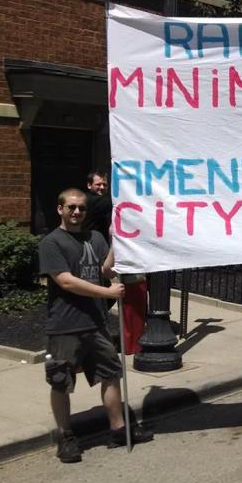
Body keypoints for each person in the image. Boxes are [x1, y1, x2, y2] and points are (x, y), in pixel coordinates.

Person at [38, 188, 153, 463]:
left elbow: (106, 270)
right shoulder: (52, 242)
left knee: (110, 374)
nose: (77, 212)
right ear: (60, 209)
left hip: (96, 323)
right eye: (71, 207)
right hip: (65, 325)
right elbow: (65, 281)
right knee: (61, 381)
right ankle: (65, 437)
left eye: (81, 208)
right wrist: (107, 294)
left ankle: (117, 430)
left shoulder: (95, 237)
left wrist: (118, 240)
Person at [82, 170, 113, 244]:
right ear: (89, 185)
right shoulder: (101, 201)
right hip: (92, 244)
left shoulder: (83, 198)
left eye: (105, 185)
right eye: (98, 184)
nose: (102, 187)